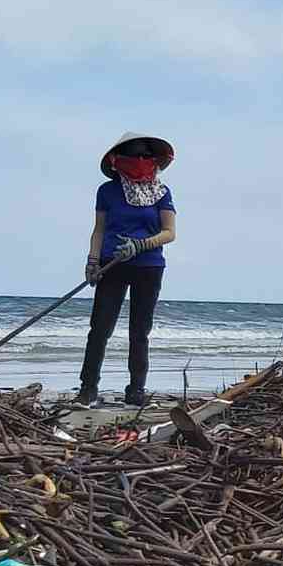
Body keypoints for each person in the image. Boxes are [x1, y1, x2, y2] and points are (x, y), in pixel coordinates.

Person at [78, 132, 176, 407]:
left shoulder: (162, 192)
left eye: (146, 155)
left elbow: (170, 233)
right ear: (119, 159)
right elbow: (99, 230)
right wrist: (92, 261)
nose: (141, 160)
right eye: (134, 155)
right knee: (100, 328)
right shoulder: (107, 191)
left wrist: (141, 244)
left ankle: (136, 390)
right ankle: (88, 388)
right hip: (112, 264)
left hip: (148, 266)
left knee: (139, 331)